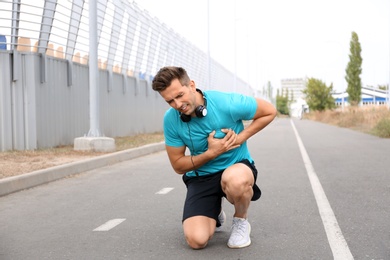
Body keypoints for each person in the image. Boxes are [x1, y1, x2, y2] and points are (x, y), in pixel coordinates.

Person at [151, 66, 276, 249]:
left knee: (236, 181)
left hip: (235, 167)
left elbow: (269, 111)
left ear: (192, 85)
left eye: (179, 96)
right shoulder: (171, 119)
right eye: (170, 101)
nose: (177, 105)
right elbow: (178, 165)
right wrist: (211, 153)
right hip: (202, 177)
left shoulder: (226, 102)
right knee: (196, 240)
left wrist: (239, 139)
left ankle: (241, 221)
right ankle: (215, 210)